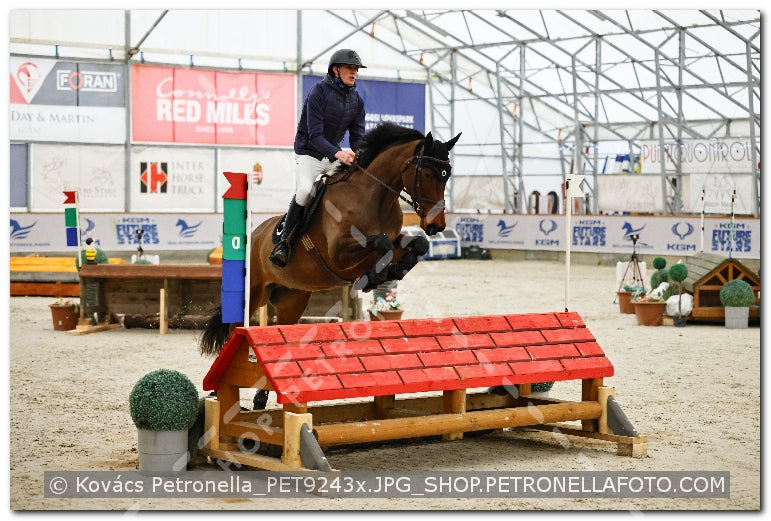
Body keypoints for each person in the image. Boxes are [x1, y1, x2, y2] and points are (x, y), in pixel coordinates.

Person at [269, 48, 367, 268]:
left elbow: (358, 137)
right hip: (308, 153)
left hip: (333, 154)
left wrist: (361, 155)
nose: (354, 73)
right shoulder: (318, 92)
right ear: (336, 69)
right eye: (350, 68)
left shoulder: (357, 101)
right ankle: (284, 242)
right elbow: (315, 136)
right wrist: (338, 153)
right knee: (305, 190)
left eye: (356, 69)